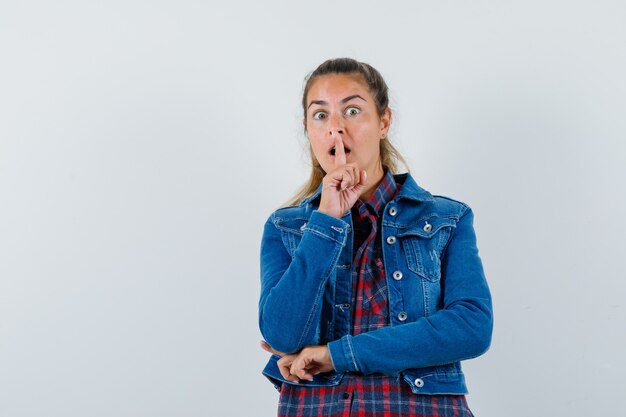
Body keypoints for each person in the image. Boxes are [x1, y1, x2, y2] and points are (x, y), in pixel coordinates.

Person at [258, 57, 493, 417]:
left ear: (384, 121)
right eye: (321, 116)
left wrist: (335, 355)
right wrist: (326, 220)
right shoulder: (285, 227)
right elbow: (282, 336)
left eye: (352, 111)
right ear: (308, 130)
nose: (336, 129)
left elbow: (471, 326)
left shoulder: (446, 219)